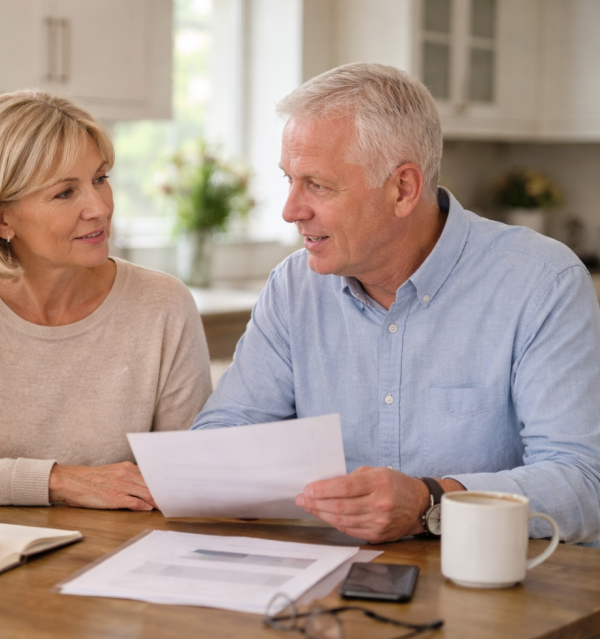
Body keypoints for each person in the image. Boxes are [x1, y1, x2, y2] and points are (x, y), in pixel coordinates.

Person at [193, 62, 600, 546]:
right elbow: (223, 434)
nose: (290, 210)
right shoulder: (293, 286)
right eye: (290, 180)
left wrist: (430, 502)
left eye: (317, 185)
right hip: (331, 584)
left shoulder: (541, 281)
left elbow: (582, 485)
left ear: (402, 189)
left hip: (493, 584)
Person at [0, 90, 212, 511]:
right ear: (0, 217)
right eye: (66, 193)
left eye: (100, 179)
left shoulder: (163, 304)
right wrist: (57, 481)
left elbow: (192, 476)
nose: (100, 207)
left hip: (122, 555)